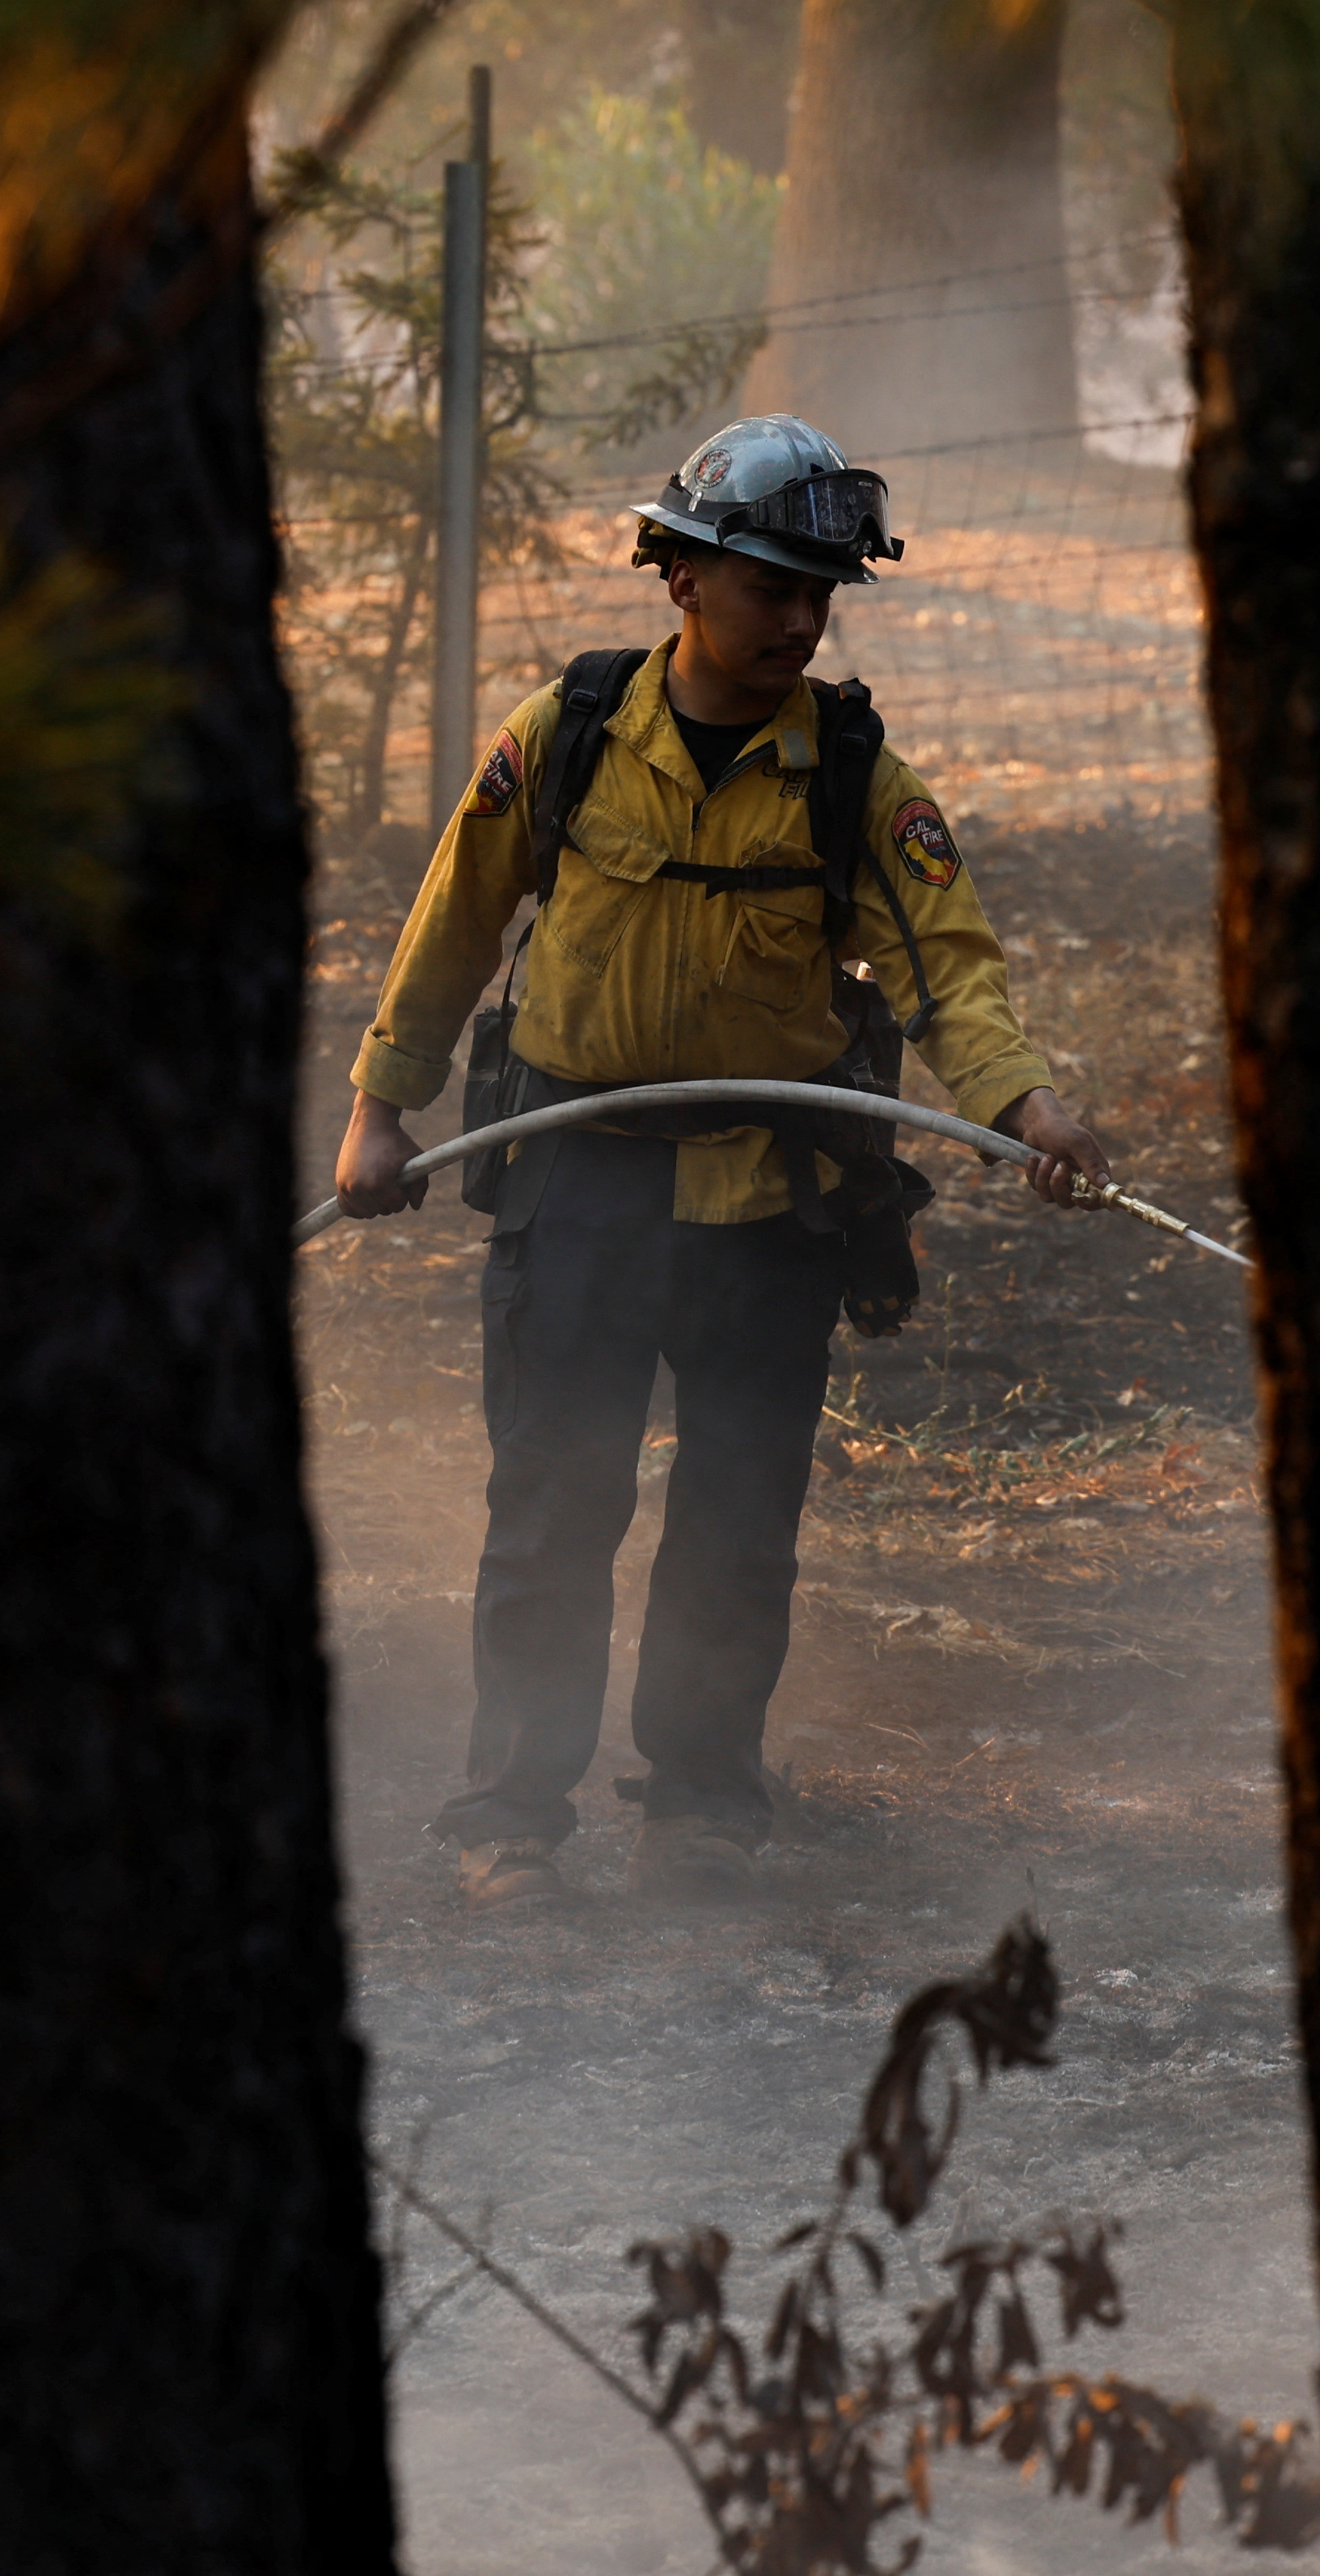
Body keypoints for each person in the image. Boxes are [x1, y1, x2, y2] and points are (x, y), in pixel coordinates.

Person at [333, 415, 1110, 1908]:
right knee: (554, 1504)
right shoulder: (564, 735)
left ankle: (700, 1805)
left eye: (824, 593)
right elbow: (453, 920)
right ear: (680, 575)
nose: (803, 621)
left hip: (774, 1202)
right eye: (773, 586)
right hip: (579, 1185)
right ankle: (511, 1807)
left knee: (739, 1521)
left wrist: (1026, 1112)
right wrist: (383, 1105)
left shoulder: (857, 779)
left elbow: (951, 972)